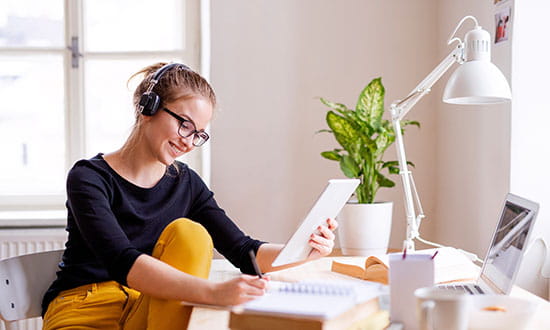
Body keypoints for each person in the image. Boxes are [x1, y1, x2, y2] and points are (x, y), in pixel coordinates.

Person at [41, 62, 338, 330]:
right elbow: (122, 261)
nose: (189, 142)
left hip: (147, 305)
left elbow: (244, 251)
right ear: (148, 108)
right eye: (184, 124)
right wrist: (212, 292)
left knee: (190, 234)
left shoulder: (187, 183)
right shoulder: (89, 178)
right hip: (85, 306)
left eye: (198, 134)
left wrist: (304, 249)